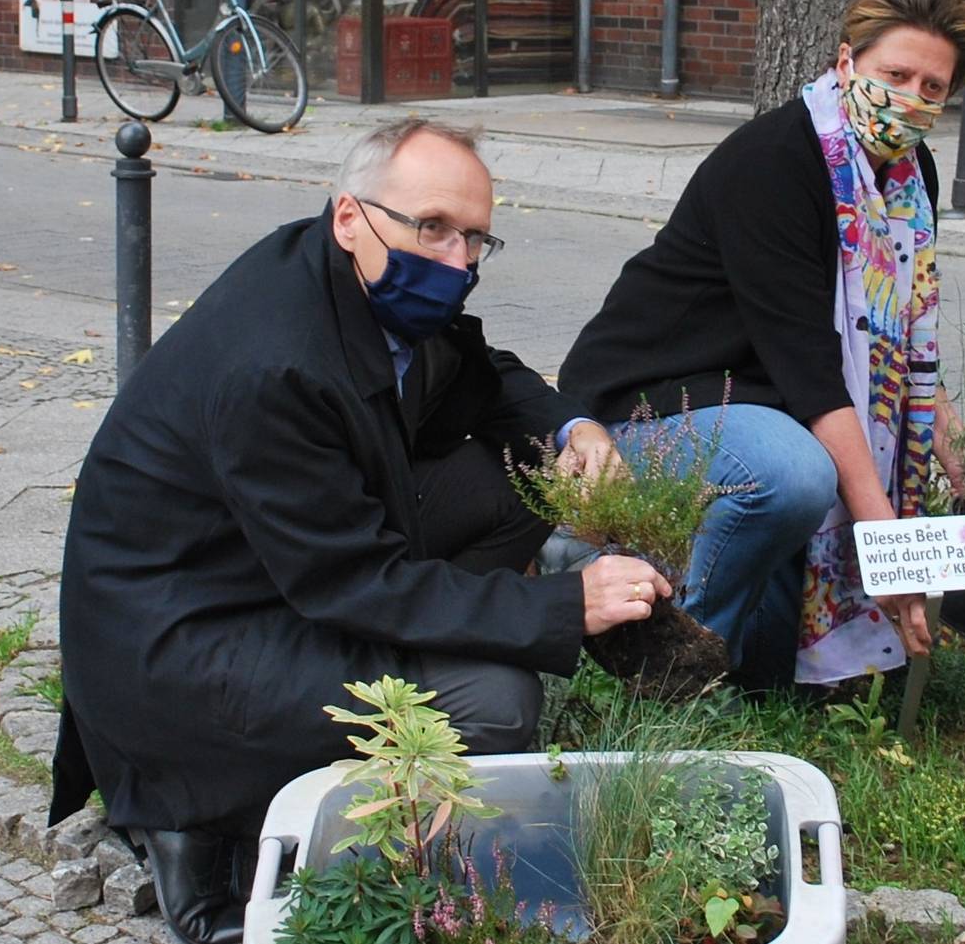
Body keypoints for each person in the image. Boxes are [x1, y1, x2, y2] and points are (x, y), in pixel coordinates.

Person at [50, 119, 669, 944]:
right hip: (183, 645)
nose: (456, 259)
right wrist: (561, 608)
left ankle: (421, 651)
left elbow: (485, 375)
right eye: (433, 227)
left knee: (522, 480)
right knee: (493, 699)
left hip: (279, 571)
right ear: (350, 215)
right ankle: (202, 824)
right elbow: (353, 582)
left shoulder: (363, 278)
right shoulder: (277, 362)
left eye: (475, 236)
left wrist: (573, 429)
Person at [558, 0, 965, 688]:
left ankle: (764, 666)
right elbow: (814, 370)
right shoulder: (777, 162)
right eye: (895, 73)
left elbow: (902, 337)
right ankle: (673, 671)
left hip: (762, 398)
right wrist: (885, 543)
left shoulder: (910, 176)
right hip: (652, 400)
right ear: (847, 62)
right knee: (794, 473)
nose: (909, 99)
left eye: (932, 88)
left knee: (799, 470)